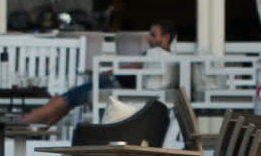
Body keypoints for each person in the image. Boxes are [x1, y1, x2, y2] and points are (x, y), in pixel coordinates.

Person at [19, 20, 178, 127]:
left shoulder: (155, 54)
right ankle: (36, 129)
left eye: (153, 34)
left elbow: (134, 66)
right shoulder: (170, 59)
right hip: (118, 87)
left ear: (166, 37)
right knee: (66, 102)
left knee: (64, 99)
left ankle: (21, 124)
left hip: (112, 85)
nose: (149, 38)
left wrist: (110, 72)